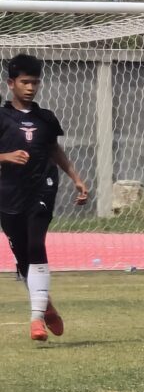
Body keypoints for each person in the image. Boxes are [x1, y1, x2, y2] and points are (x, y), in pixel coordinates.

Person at [0, 53, 89, 341]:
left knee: (37, 244)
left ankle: (36, 320)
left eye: (35, 83)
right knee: (23, 255)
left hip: (43, 186)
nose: (31, 88)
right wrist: (5, 156)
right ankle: (46, 305)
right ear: (11, 83)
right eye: (25, 82)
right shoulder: (1, 117)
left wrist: (76, 179)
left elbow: (54, 150)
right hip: (8, 192)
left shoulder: (46, 118)